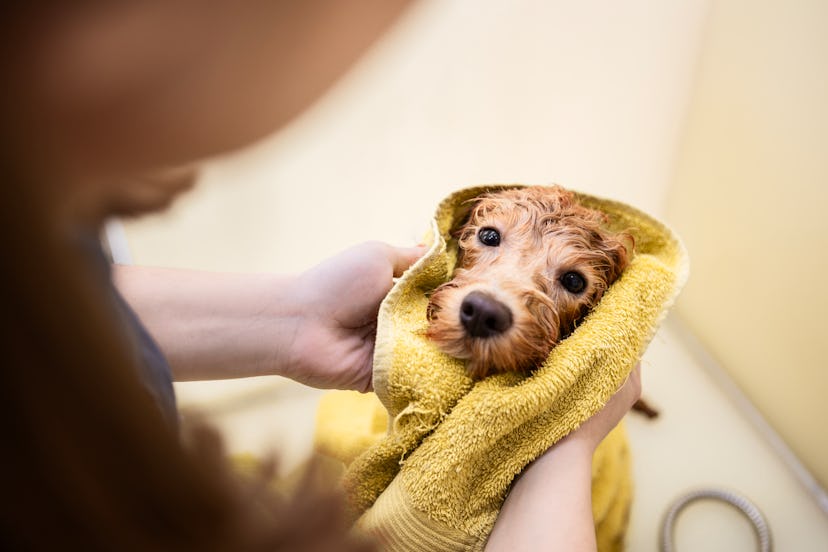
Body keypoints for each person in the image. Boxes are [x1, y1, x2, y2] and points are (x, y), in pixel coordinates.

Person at [0, 2, 641, 550]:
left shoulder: (42, 256)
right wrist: (569, 445)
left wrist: (298, 320)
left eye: (572, 282)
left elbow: (76, 309)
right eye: (491, 239)